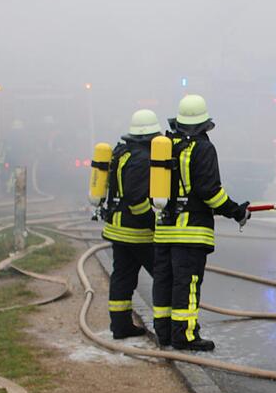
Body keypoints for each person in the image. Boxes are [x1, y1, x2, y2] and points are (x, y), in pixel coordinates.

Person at [152, 95, 250, 351]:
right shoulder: (203, 149)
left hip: (164, 229)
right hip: (191, 231)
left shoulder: (167, 145)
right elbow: (211, 192)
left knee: (165, 281)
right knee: (187, 284)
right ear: (204, 123)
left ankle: (163, 333)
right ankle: (185, 336)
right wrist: (236, 211)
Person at [102, 110, 160, 339]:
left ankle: (120, 326)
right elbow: (136, 199)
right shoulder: (142, 159)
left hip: (118, 227)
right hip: (136, 231)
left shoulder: (123, 151)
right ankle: (169, 327)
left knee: (122, 278)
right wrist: (153, 223)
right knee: (165, 276)